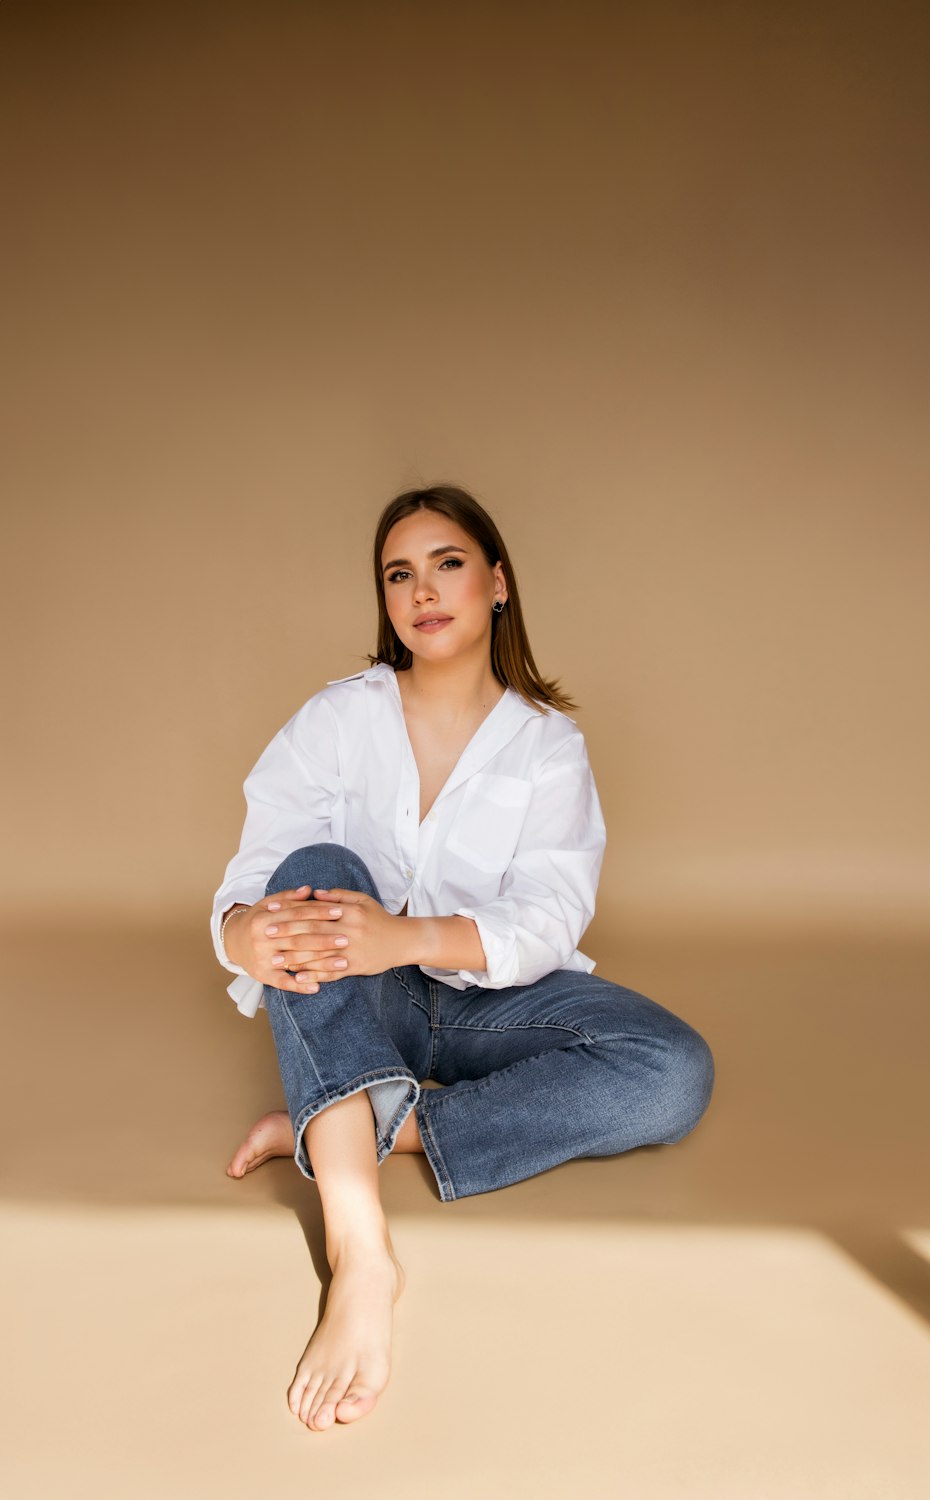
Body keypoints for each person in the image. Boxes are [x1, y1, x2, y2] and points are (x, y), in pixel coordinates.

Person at [211, 483, 715, 1433]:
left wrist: (409, 934)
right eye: (399, 573)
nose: (422, 590)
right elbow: (255, 880)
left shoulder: (547, 746)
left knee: (674, 1070)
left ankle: (348, 1122)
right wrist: (241, 930)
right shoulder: (336, 718)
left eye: (447, 563)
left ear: (498, 584)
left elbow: (551, 916)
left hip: (492, 998)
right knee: (313, 872)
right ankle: (362, 1253)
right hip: (368, 999)